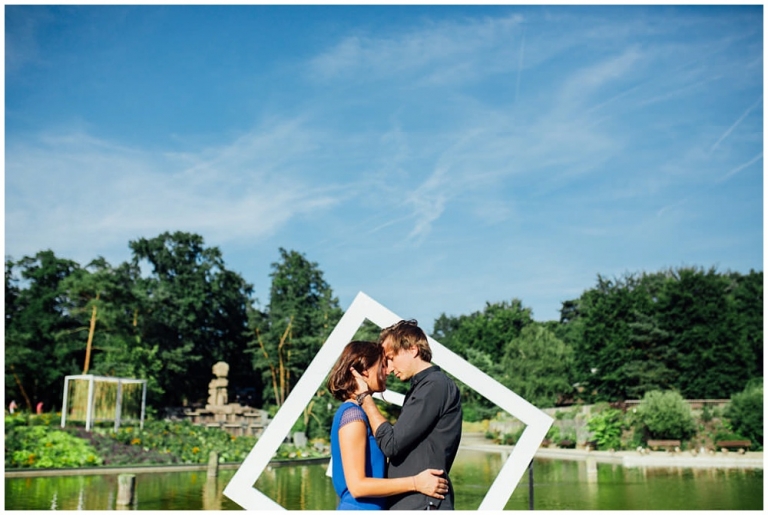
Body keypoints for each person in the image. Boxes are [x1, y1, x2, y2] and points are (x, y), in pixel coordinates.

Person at [353, 320, 462, 510]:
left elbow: (391, 444)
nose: (389, 368)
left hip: (423, 502)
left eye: (391, 358)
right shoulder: (422, 387)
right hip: (415, 501)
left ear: (412, 349)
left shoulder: (434, 385)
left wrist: (365, 398)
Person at [327, 340, 449, 510]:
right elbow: (357, 487)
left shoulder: (362, 413)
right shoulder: (352, 415)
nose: (388, 371)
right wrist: (416, 483)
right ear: (364, 371)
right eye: (383, 365)